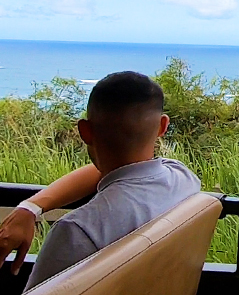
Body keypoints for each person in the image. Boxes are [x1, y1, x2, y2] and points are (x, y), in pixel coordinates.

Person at [0, 71, 200, 290]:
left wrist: (30, 208)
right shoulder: (184, 178)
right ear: (163, 126)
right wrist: (30, 207)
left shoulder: (78, 231)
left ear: (85, 131)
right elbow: (122, 171)